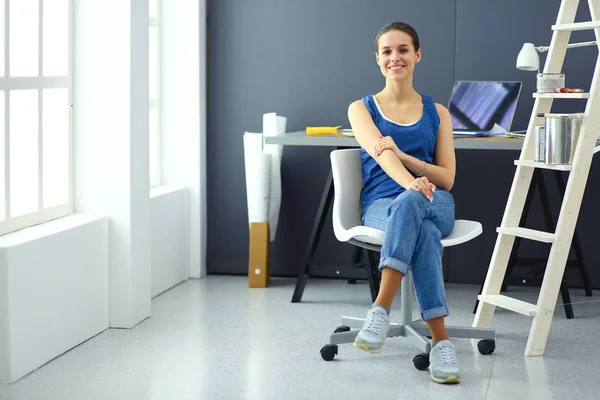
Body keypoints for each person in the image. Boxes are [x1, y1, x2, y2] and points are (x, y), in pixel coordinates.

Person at [347, 21, 460, 384]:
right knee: (423, 232)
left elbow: (446, 178)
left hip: (436, 202)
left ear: (417, 55)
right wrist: (412, 184)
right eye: (387, 51)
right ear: (377, 59)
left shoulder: (438, 112)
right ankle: (441, 343)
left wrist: (407, 158)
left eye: (403, 50)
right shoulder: (361, 109)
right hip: (383, 206)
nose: (395, 57)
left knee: (418, 208)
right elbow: (382, 158)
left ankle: (379, 309)